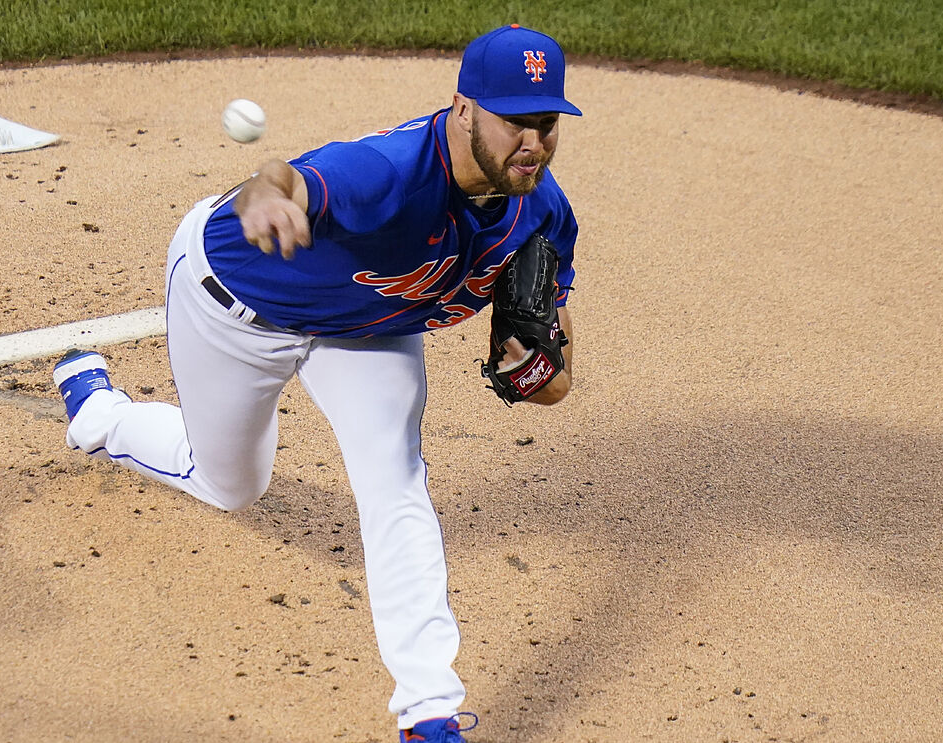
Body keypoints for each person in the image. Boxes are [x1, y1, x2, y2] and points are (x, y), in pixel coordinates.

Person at [52, 24, 581, 743]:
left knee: (396, 480)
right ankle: (103, 417)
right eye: (514, 121)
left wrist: (542, 373)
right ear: (464, 108)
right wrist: (268, 197)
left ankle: (429, 714)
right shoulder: (392, 171)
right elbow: (283, 175)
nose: (533, 142)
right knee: (232, 484)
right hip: (237, 307)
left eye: (545, 124)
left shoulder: (544, 213)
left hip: (365, 329)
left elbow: (555, 371)